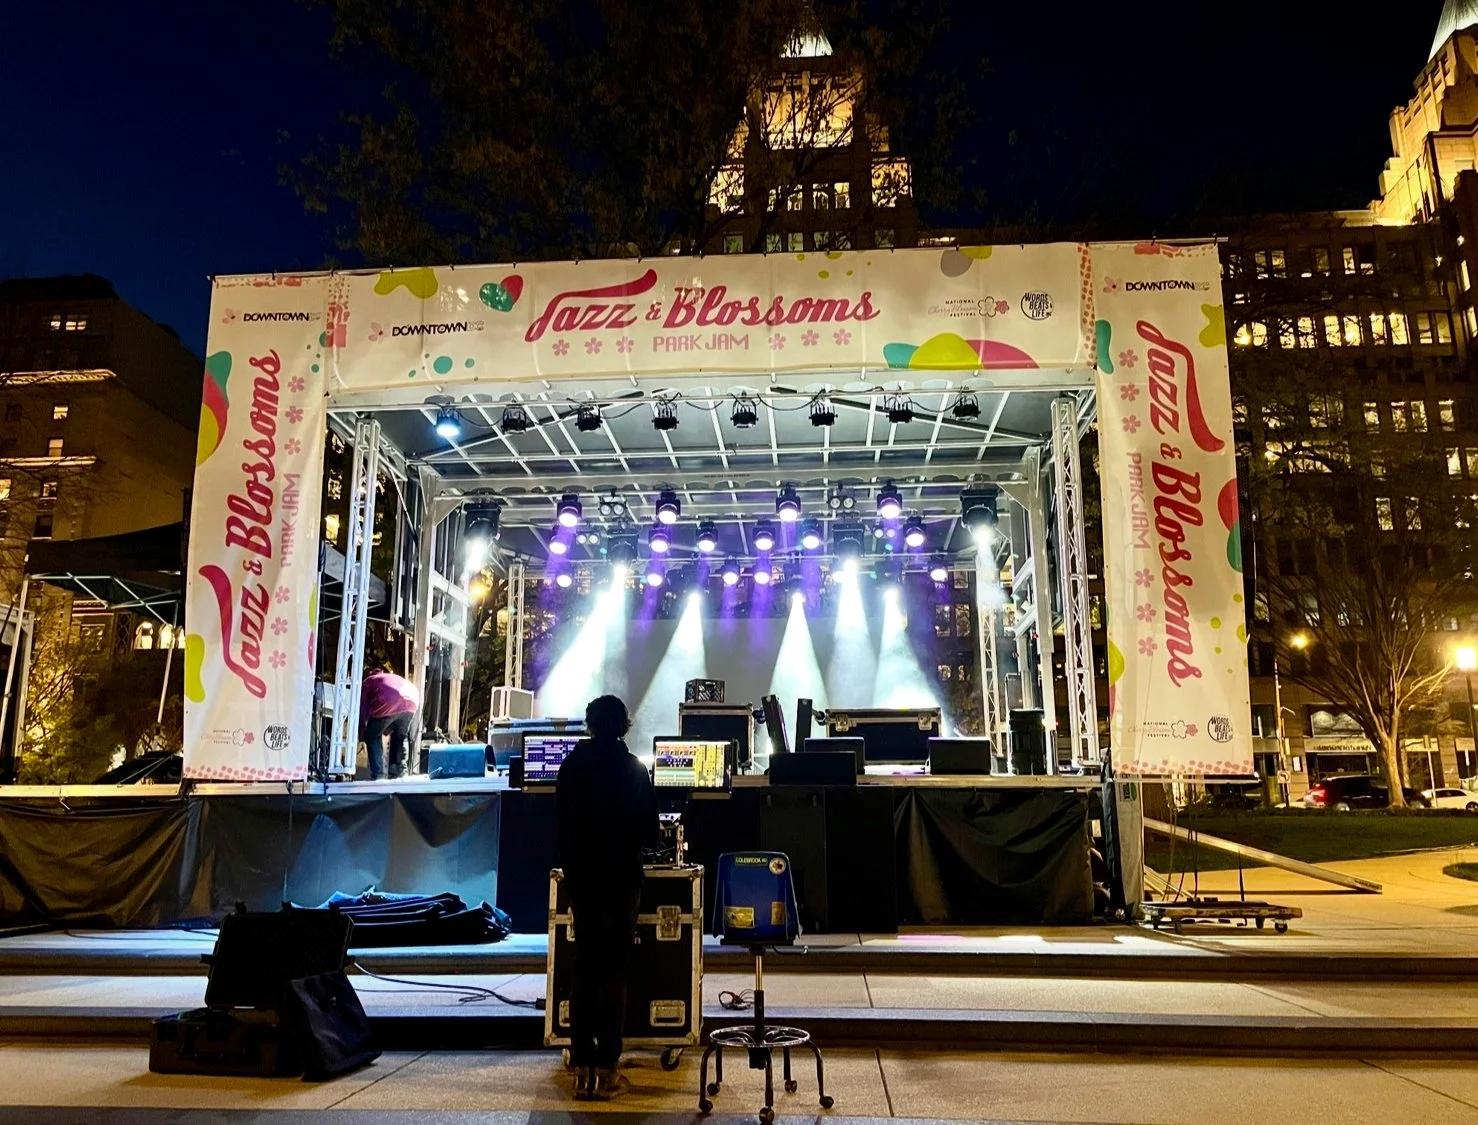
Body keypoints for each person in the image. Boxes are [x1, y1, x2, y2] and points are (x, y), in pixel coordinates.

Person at [555, 694, 659, 1100]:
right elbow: (649, 833)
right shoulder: (633, 769)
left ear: (590, 724)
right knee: (614, 972)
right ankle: (607, 1067)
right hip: (622, 880)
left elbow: (559, 825)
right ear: (624, 726)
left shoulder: (571, 767)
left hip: (583, 880)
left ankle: (581, 1064)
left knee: (585, 968)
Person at [360, 665, 421, 781]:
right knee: (400, 736)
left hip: (389, 700)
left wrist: (363, 731)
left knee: (372, 735)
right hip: (412, 700)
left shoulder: (367, 682)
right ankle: (401, 771)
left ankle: (378, 774)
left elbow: (364, 710)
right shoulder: (389, 677)